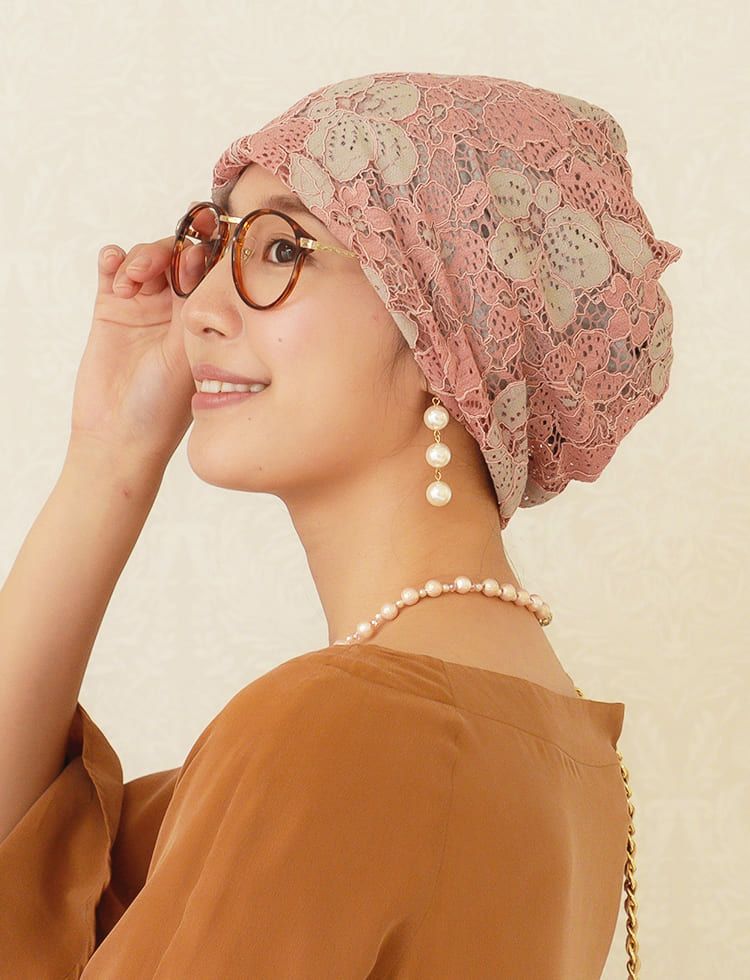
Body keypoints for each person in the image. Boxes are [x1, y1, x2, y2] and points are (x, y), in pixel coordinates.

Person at [0, 72, 681, 977]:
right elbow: (35, 865)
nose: (199, 310)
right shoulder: (567, 750)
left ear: (444, 326)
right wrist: (107, 457)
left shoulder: (336, 728)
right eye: (218, 245)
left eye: (283, 249)